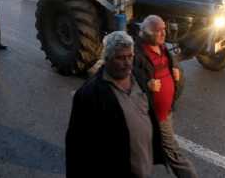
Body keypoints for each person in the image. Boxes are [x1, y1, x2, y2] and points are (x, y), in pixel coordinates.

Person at [65, 31, 165, 178]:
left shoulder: (138, 76)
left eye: (130, 56)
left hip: (143, 165)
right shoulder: (90, 94)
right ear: (107, 59)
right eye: (120, 58)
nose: (127, 63)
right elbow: (76, 145)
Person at [134, 15, 198, 178]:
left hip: (166, 111)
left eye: (164, 29)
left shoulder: (162, 47)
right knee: (173, 152)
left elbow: (171, 65)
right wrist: (146, 85)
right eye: (159, 31)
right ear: (147, 33)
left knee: (143, 147)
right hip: (155, 115)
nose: (164, 33)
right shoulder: (136, 53)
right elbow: (128, 79)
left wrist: (175, 75)